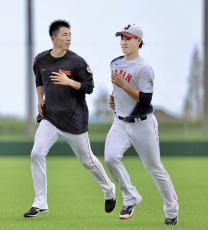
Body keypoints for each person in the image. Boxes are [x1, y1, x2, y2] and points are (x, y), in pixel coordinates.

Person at [23, 20, 116, 217]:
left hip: (74, 120)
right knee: (36, 154)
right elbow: (39, 80)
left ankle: (109, 189)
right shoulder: (41, 60)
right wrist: (40, 99)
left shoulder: (77, 62)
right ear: (53, 38)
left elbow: (89, 88)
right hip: (50, 118)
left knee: (87, 160)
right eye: (64, 34)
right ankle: (40, 202)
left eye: (70, 35)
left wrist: (69, 81)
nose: (69, 38)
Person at [104, 24, 179, 225]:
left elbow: (145, 99)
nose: (124, 42)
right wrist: (113, 98)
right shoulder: (115, 63)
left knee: (154, 167)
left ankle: (171, 210)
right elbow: (117, 90)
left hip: (142, 124)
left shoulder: (144, 68)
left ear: (139, 41)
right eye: (121, 38)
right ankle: (130, 197)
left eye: (128, 38)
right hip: (119, 122)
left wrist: (124, 86)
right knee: (111, 158)